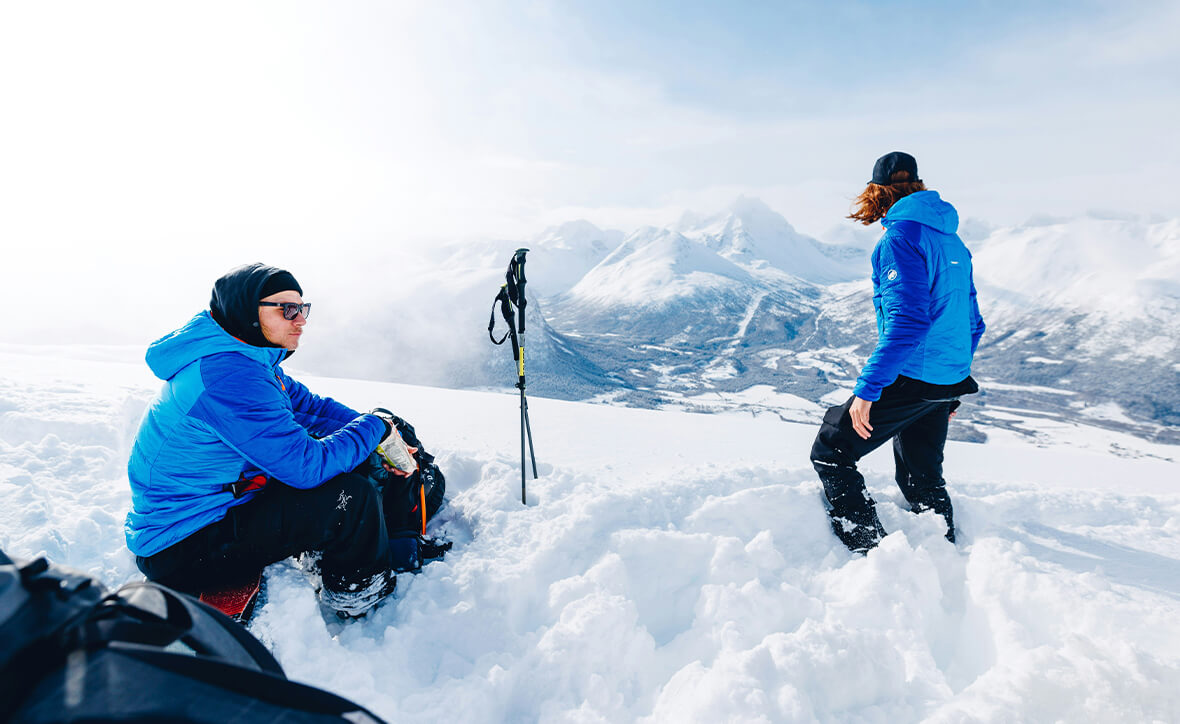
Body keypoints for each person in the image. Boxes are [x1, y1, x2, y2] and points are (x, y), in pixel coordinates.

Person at [125, 263, 407, 616]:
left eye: (303, 309)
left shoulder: (245, 356)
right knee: (351, 497)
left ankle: (348, 547)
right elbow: (307, 468)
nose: (300, 320)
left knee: (353, 448)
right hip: (184, 545)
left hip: (214, 511)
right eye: (288, 310)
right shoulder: (229, 376)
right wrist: (374, 429)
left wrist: (381, 426)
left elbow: (307, 406)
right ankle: (359, 596)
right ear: (248, 312)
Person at [810, 152, 985, 553]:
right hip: (944, 377)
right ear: (918, 185)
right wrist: (952, 383)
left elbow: (908, 321)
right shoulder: (951, 239)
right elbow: (972, 321)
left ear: (875, 192)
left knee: (831, 451)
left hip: (913, 376)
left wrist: (868, 390)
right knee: (921, 474)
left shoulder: (899, 238)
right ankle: (943, 552)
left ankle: (871, 551)